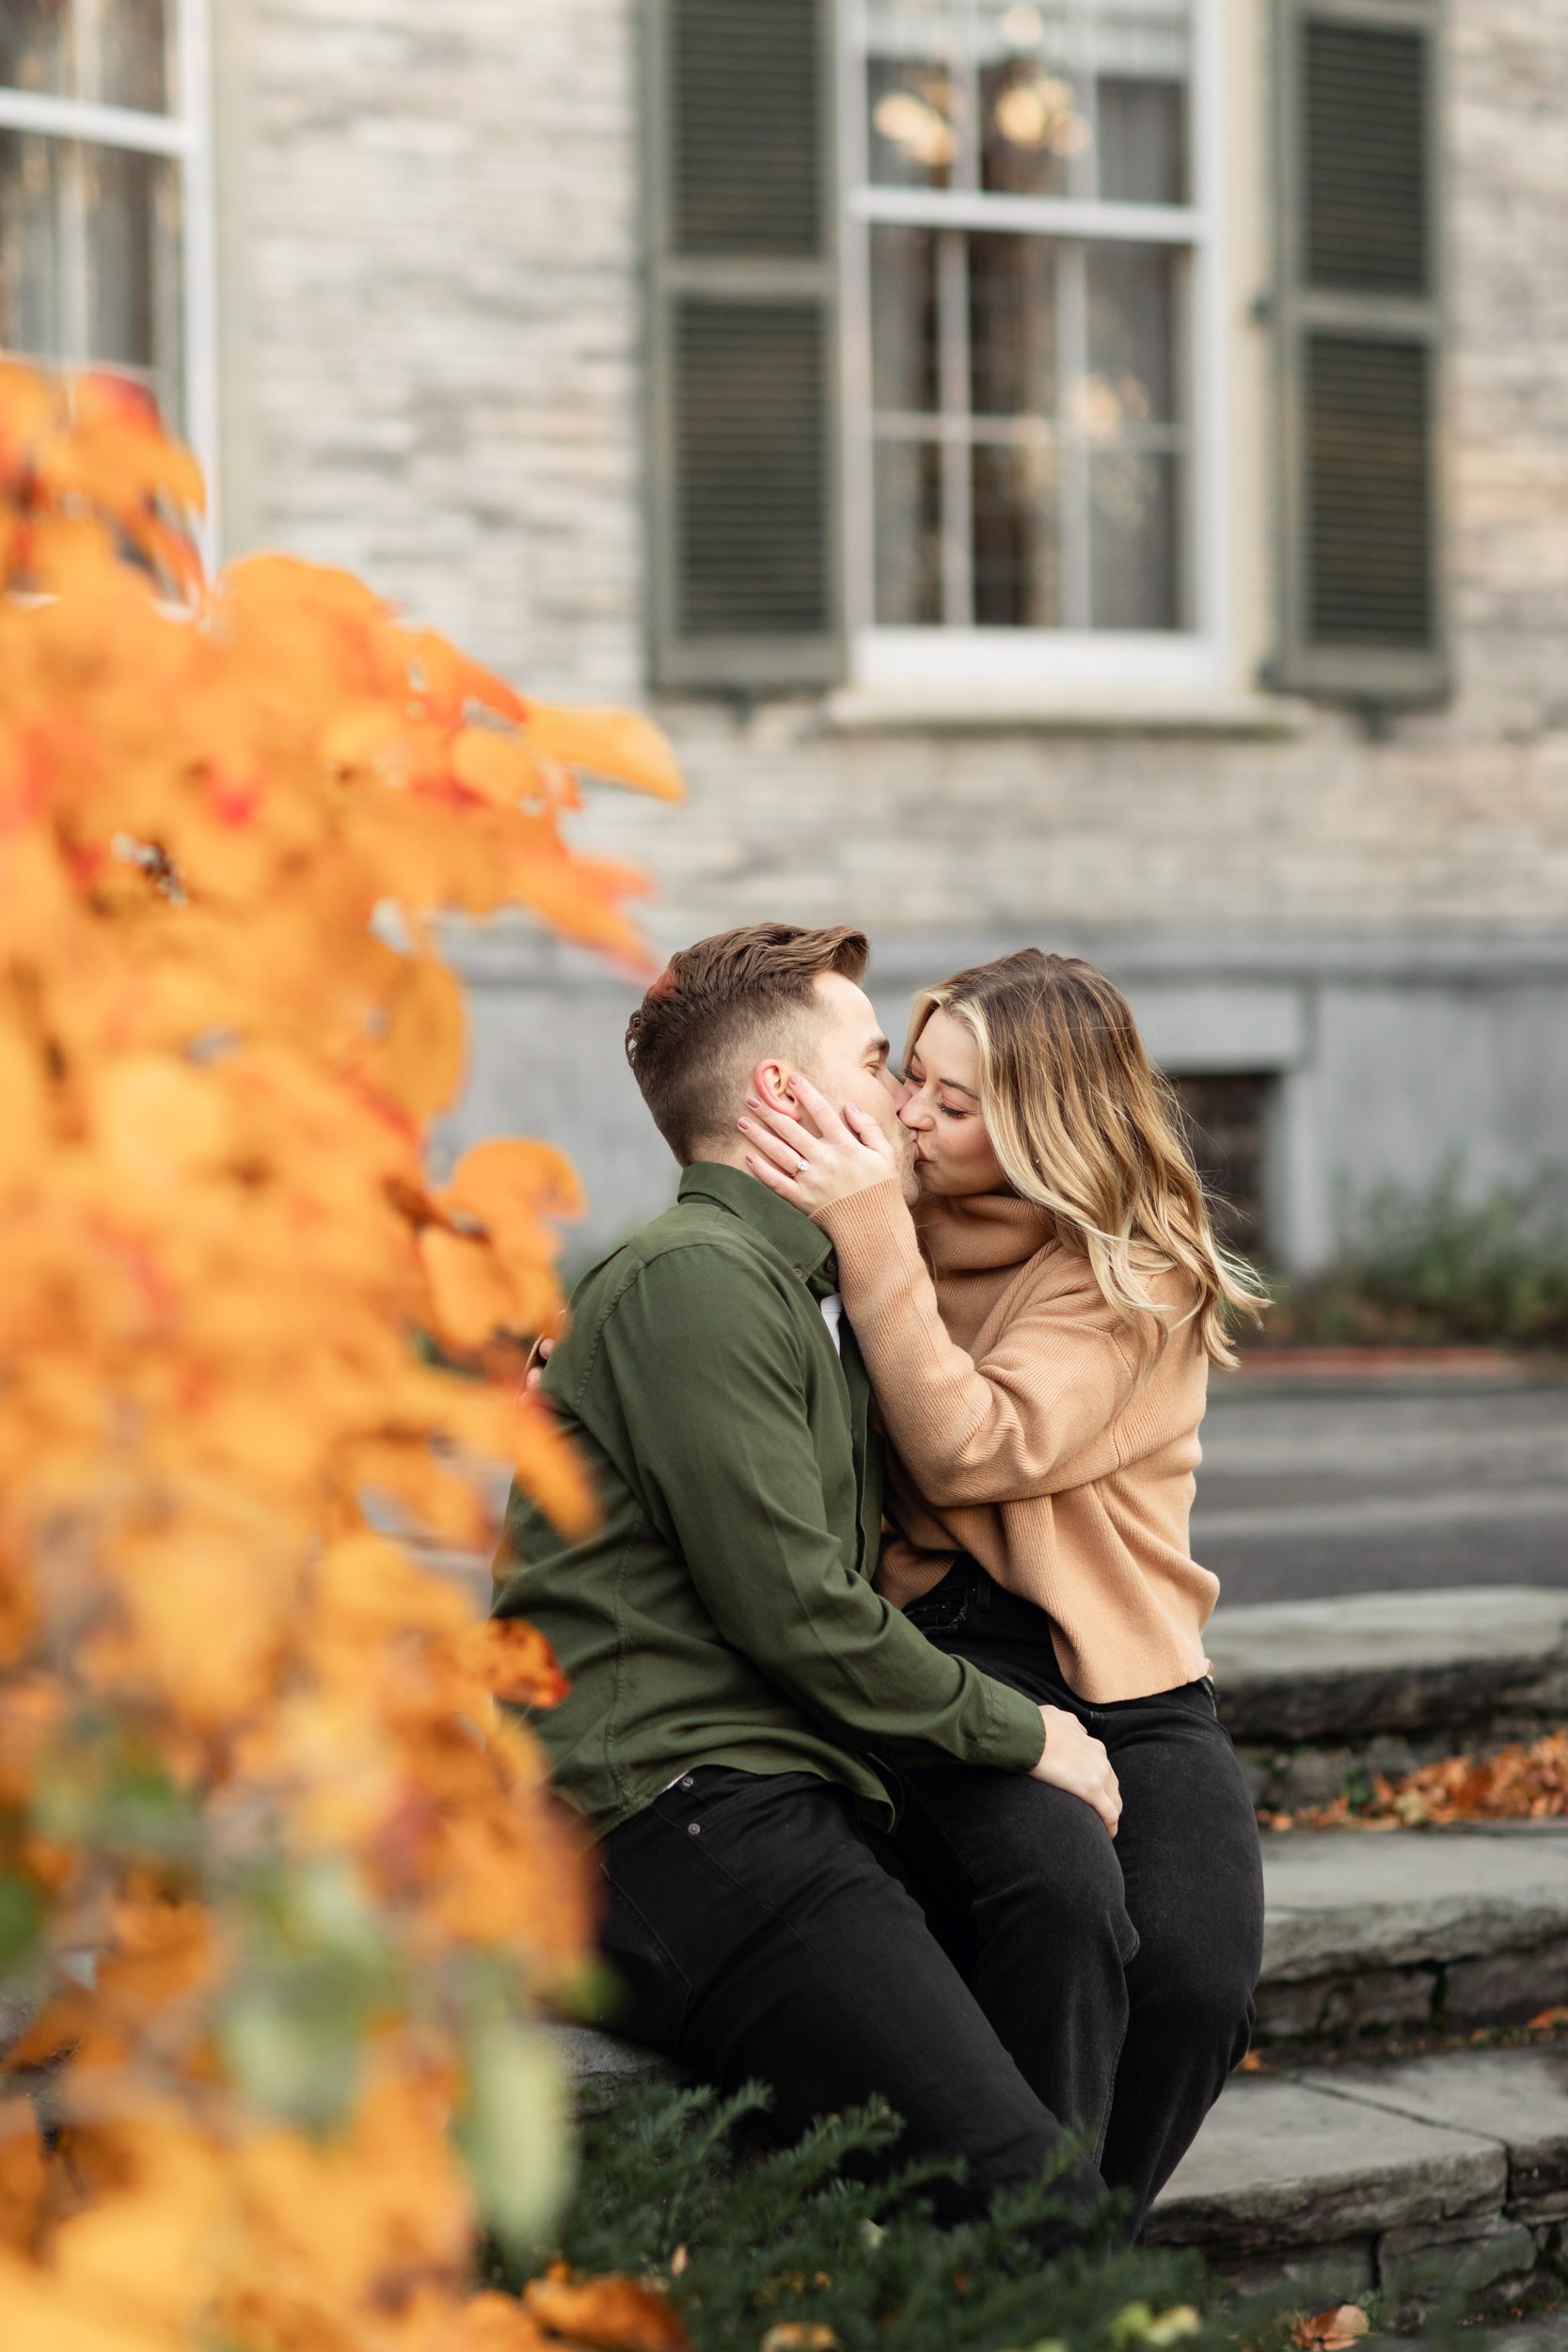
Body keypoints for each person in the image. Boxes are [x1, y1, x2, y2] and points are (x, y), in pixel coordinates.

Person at [493, 924, 1117, 2240]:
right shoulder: (696, 1283)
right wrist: (1028, 1732)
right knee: (1024, 2200)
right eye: (882, 1064)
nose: (904, 1103)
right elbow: (800, 1613)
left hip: (776, 1789)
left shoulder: (791, 1288)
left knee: (1064, 1905)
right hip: (671, 1815)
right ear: (784, 1096)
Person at [737, 948, 1268, 2234]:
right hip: (947, 1650)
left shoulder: (1134, 1271)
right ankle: (1026, 2280)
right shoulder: (878, 1210)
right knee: (1052, 1900)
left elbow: (980, 1442)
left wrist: (870, 1240)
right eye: (911, 1078)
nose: (911, 1116)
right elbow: (714, 1289)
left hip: (1129, 1670)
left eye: (954, 1102)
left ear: (1049, 1122)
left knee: (1198, 1977)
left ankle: (1051, 2264)